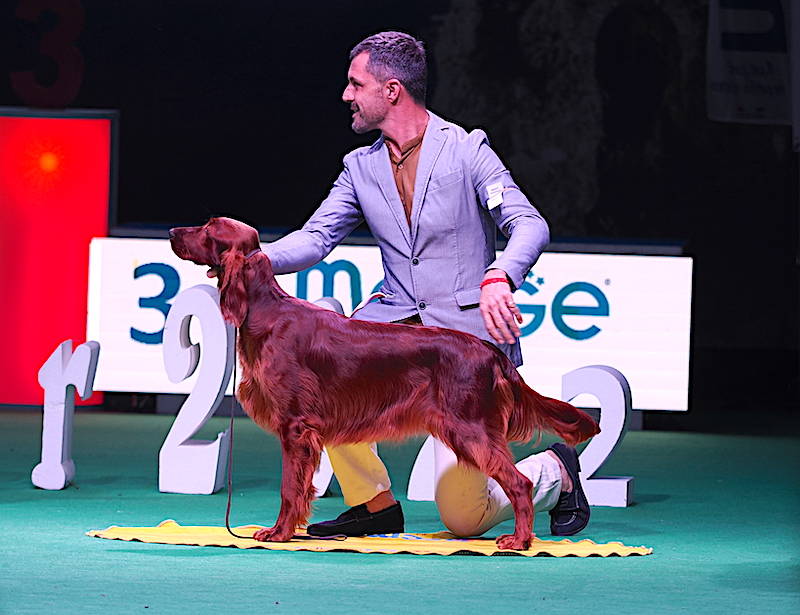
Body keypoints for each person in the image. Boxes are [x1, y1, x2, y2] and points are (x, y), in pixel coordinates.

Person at [263, 31, 590, 539]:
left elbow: (530, 224)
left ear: (392, 90)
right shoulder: (360, 167)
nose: (346, 95)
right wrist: (254, 258)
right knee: (325, 380)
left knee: (464, 517)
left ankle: (554, 473)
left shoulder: (467, 151)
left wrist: (500, 275)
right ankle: (373, 504)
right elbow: (315, 238)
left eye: (356, 83)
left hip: (463, 342)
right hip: (392, 326)